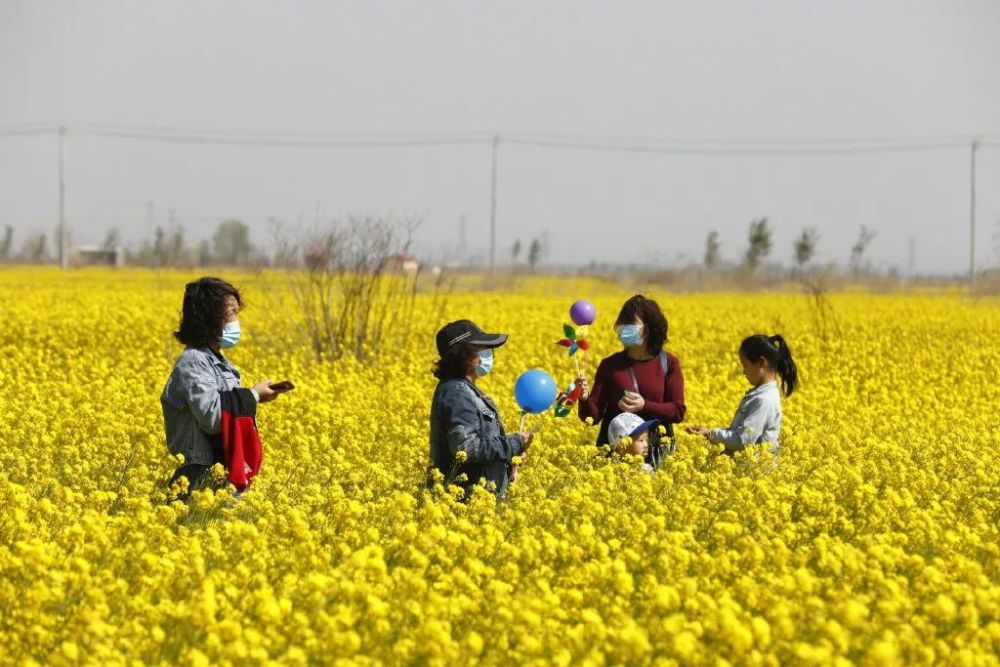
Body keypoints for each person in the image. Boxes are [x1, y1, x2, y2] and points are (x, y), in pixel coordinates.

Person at [160, 277, 280, 495]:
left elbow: (228, 413)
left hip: (221, 471)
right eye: (232, 312)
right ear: (210, 317)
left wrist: (257, 397)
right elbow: (213, 418)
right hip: (198, 477)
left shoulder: (219, 362)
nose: (237, 320)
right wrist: (252, 395)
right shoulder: (194, 361)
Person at [429, 319, 532, 498]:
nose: (488, 354)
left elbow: (480, 448)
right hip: (464, 504)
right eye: (481, 348)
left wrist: (507, 461)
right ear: (463, 355)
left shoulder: (464, 390)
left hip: (480, 502)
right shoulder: (457, 393)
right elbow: (465, 447)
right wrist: (512, 444)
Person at [578, 294, 685, 464]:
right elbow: (592, 417)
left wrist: (645, 406)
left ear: (648, 329)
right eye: (622, 324)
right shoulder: (609, 365)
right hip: (615, 458)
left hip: (655, 454)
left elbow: (678, 412)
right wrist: (584, 398)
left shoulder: (668, 363)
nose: (623, 328)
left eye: (630, 324)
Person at [686, 334, 798, 455]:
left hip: (756, 471)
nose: (744, 372)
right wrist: (708, 432)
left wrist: (710, 434)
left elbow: (742, 441)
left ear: (761, 362)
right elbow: (741, 433)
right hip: (748, 468)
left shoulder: (764, 399)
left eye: (745, 366)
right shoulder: (761, 395)